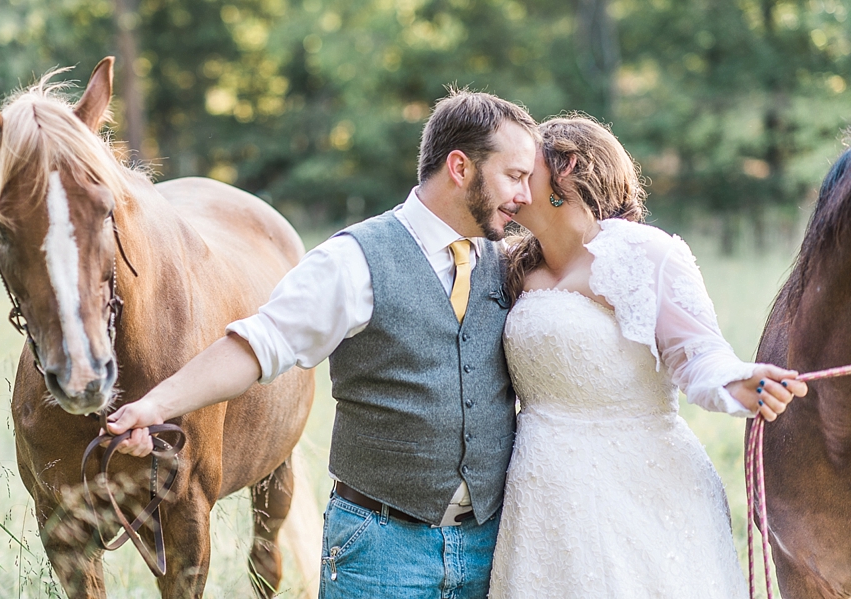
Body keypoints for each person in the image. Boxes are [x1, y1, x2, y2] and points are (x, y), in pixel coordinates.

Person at [105, 89, 538, 598]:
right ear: (460, 167)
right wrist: (155, 404)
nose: (526, 196)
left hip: (489, 546)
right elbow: (257, 345)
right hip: (380, 550)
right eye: (515, 176)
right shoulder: (352, 261)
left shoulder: (510, 263)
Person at [487, 114, 808, 598]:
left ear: (566, 166)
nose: (507, 180)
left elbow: (699, 353)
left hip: (640, 492)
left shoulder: (643, 254)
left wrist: (736, 381)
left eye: (520, 169)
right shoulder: (509, 266)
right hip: (542, 499)